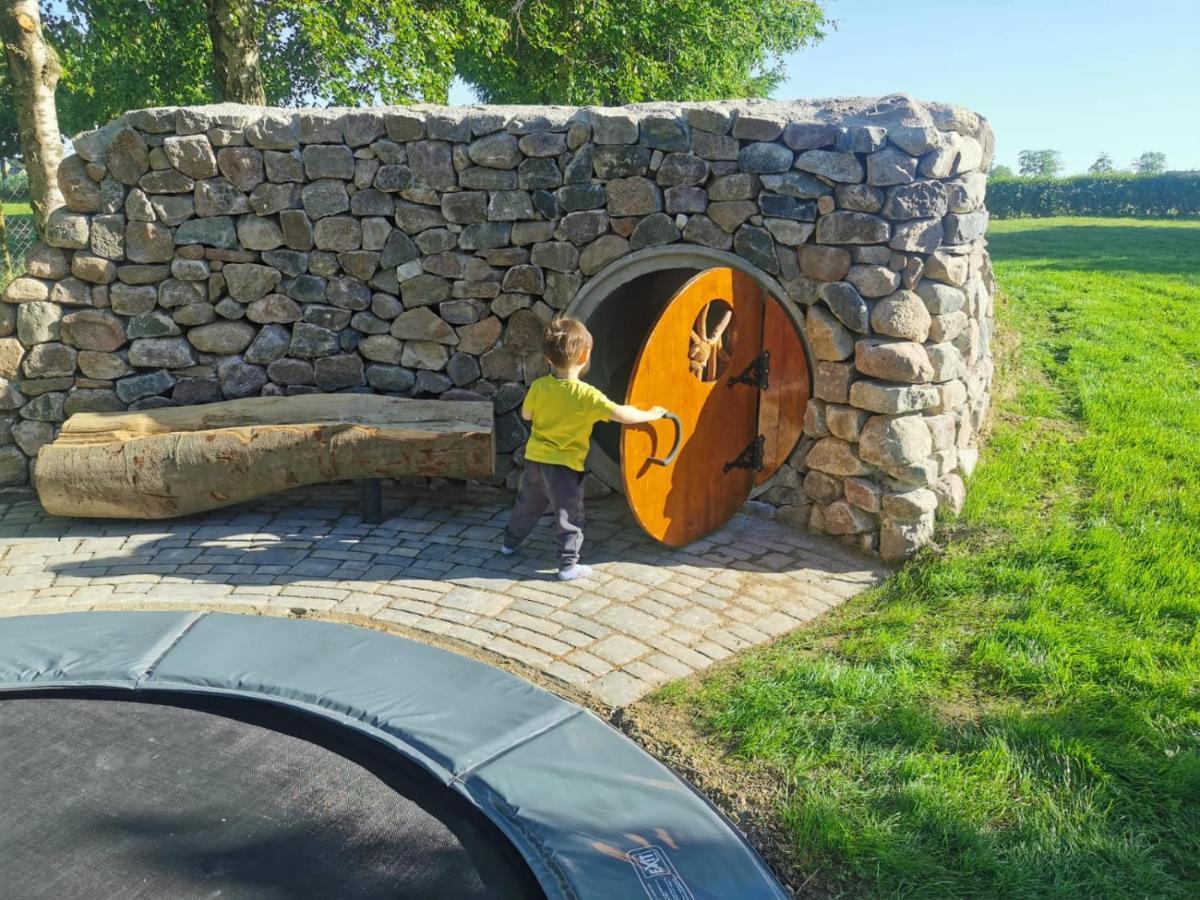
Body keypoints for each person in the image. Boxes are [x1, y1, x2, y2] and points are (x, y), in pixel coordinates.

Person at [502, 317, 666, 581]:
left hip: (535, 460)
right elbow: (622, 414)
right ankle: (568, 566)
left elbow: (527, 415)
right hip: (565, 467)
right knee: (569, 514)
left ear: (547, 358)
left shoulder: (538, 387)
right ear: (585, 355)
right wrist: (651, 414)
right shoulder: (587, 396)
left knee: (528, 504)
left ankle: (509, 543)